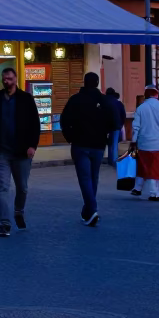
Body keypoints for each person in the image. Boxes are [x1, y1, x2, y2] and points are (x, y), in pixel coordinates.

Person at [0, 67, 41, 237]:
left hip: (22, 152)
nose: (6, 81)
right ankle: (5, 223)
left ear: (16, 79)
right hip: (1, 152)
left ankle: (18, 211)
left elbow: (35, 124)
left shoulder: (26, 99)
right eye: (4, 79)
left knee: (22, 188)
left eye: (9, 78)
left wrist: (32, 146)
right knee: (2, 188)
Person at [60, 71, 112, 227]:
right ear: (97, 83)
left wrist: (70, 137)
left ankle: (91, 209)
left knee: (85, 178)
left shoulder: (75, 100)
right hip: (98, 145)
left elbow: (64, 120)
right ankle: (89, 210)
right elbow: (114, 120)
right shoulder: (104, 101)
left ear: (84, 82)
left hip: (80, 144)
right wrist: (105, 134)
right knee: (93, 177)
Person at [130, 85, 159, 201]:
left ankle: (139, 188)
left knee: (143, 166)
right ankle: (154, 193)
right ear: (156, 94)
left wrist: (133, 141)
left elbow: (136, 127)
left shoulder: (141, 108)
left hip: (144, 142)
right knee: (154, 168)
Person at [103, 87, 127, 167]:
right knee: (114, 144)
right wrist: (121, 124)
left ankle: (110, 159)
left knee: (109, 143)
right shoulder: (118, 103)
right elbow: (123, 115)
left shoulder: (103, 101)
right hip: (116, 125)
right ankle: (114, 161)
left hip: (105, 125)